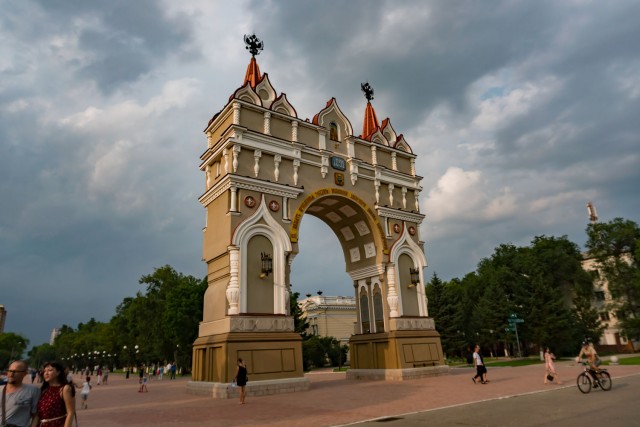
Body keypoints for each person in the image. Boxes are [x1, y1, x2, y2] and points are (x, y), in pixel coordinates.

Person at [0, 360, 41, 427]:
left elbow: (36, 415)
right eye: (10, 371)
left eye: (16, 371)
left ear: (25, 373)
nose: (11, 374)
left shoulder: (33, 391)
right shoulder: (0, 389)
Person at [34, 361, 75, 427]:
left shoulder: (64, 388)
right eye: (44, 371)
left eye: (50, 370)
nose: (46, 373)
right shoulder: (44, 390)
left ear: (58, 372)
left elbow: (70, 412)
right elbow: (38, 415)